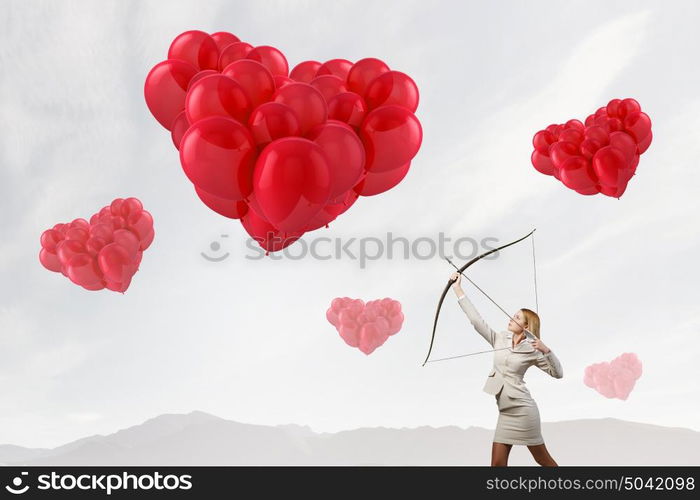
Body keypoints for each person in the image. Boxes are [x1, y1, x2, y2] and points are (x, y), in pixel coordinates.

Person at [449, 271, 563, 466]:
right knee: (497, 465)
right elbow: (477, 322)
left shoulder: (533, 349)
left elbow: (558, 373)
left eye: (517, 317)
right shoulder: (500, 338)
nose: (511, 318)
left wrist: (546, 350)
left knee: (543, 460)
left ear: (526, 326)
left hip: (524, 410)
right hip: (505, 412)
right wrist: (458, 289)